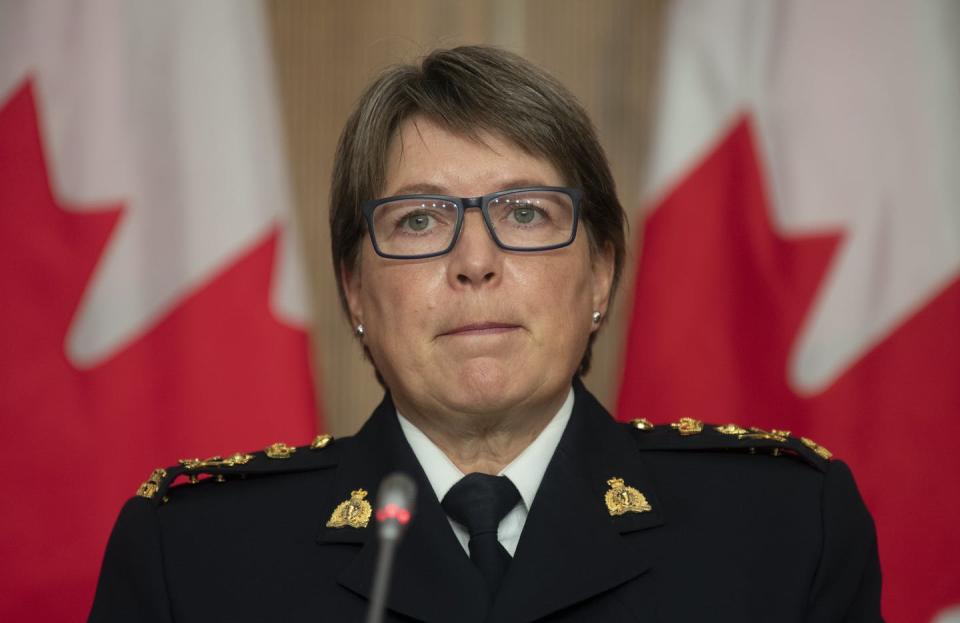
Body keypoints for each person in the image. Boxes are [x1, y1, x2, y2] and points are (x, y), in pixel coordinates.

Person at [89, 45, 882, 622]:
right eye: (421, 218)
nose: (476, 261)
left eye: (526, 212)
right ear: (355, 287)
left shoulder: (782, 530)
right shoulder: (192, 558)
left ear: (602, 274)